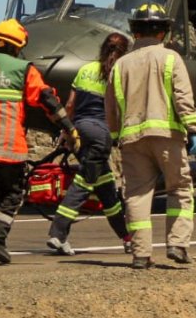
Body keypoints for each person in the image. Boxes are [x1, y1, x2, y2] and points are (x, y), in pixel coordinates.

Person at [0, 18, 77, 265]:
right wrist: (68, 127)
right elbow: (47, 100)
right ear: (18, 46)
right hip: (8, 150)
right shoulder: (23, 68)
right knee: (13, 194)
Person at [106, 3, 196, 270]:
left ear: (135, 31)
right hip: (167, 135)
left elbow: (111, 106)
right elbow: (183, 97)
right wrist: (192, 128)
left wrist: (115, 135)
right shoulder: (171, 58)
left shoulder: (120, 65)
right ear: (163, 32)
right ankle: (177, 244)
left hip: (131, 140)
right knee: (179, 188)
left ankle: (140, 254)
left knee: (136, 195)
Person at [46, 33, 133, 256]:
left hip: (81, 131)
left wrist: (67, 133)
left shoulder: (85, 70)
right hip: (102, 135)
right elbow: (122, 110)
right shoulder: (120, 74)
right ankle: (57, 233)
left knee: (107, 191)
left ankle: (126, 237)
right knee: (83, 184)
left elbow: (71, 104)